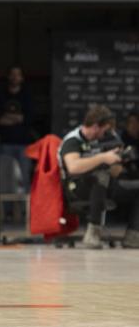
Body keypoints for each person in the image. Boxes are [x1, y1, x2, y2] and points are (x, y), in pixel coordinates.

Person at [59, 105, 139, 249]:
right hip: (76, 187)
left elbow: (115, 171)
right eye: (106, 130)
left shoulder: (107, 139)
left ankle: (133, 236)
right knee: (100, 175)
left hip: (105, 184)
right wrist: (102, 158)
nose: (107, 134)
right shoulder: (73, 140)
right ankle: (93, 233)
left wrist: (119, 161)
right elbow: (73, 167)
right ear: (96, 126)